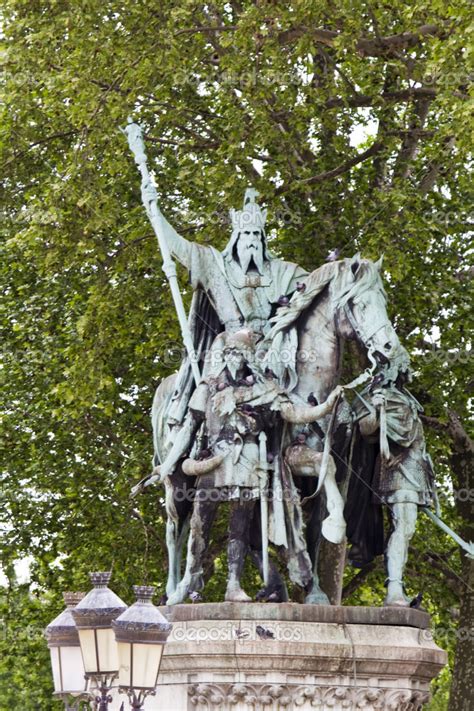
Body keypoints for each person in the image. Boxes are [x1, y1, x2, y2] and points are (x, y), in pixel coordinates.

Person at [353, 375, 435, 606]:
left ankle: (397, 587)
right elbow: (366, 429)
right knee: (402, 528)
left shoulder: (407, 399)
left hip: (417, 472)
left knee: (406, 530)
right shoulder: (380, 395)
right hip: (398, 472)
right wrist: (376, 410)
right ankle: (394, 588)